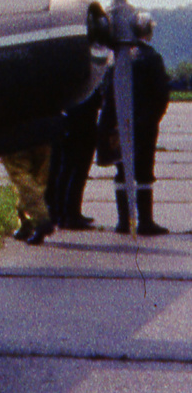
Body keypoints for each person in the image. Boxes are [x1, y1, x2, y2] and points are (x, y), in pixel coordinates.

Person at [98, 13, 172, 235]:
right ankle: (145, 221)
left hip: (118, 125)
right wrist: (150, 120)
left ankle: (123, 221)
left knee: (121, 170)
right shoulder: (151, 58)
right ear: (147, 31)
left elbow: (106, 93)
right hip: (144, 125)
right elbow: (161, 94)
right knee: (144, 171)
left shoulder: (114, 59)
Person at [48, 88, 102, 229]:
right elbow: (95, 99)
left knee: (65, 169)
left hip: (68, 120)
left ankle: (63, 212)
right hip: (81, 122)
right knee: (76, 170)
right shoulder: (84, 75)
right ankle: (70, 214)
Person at [1, 145, 53, 245]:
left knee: (20, 174)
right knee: (38, 179)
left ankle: (40, 217)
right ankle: (26, 221)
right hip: (43, 135)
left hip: (14, 137)